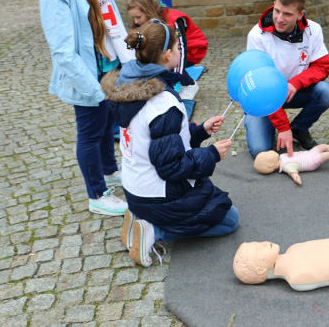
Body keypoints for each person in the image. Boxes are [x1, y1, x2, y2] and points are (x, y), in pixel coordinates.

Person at [102, 19, 238, 267]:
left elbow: (157, 139)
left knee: (212, 202)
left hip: (134, 187)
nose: (180, 52)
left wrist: (199, 131)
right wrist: (212, 154)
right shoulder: (162, 102)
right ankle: (153, 232)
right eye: (177, 48)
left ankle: (139, 218)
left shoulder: (129, 83)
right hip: (155, 194)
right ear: (166, 54)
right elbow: (172, 167)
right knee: (229, 218)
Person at [40, 0, 134, 216]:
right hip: (87, 77)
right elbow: (64, 52)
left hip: (104, 67)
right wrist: (94, 90)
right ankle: (96, 193)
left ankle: (109, 170)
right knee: (91, 133)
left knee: (106, 125)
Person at [245, 0, 329, 158]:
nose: (279, 19)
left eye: (287, 14)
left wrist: (295, 83)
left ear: (300, 15)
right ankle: (277, 126)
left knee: (326, 91)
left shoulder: (313, 29)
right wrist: (282, 126)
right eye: (277, 11)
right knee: (260, 151)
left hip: (293, 92)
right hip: (262, 98)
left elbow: (323, 66)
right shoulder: (257, 35)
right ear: (273, 6)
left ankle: (299, 129)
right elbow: (260, 87)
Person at [233, 236, 329, 291]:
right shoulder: (296, 278)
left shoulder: (293, 248)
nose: (264, 243)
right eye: (258, 250)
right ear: (260, 270)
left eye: (257, 243)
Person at [126, 0, 208, 70]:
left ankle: (189, 84)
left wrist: (177, 76)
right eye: (133, 18)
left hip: (191, 51)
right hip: (167, 52)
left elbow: (181, 48)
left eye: (138, 17)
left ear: (147, 11)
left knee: (165, 70)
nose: (136, 21)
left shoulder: (173, 20)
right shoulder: (139, 23)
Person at [253, 143, 329, 186]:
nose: (269, 151)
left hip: (309, 153)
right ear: (270, 165)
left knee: (322, 146)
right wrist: (297, 179)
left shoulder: (281, 156)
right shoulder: (286, 166)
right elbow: (293, 173)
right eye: (267, 153)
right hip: (311, 161)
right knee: (326, 155)